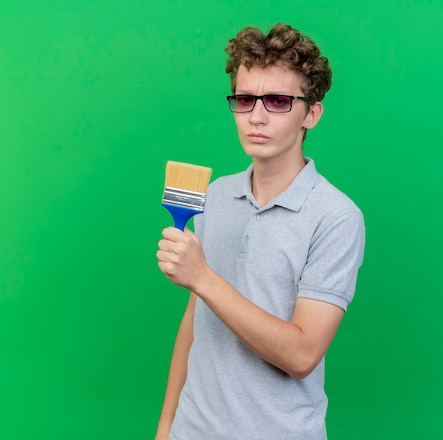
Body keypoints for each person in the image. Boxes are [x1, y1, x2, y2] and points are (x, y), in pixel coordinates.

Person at [155, 23, 365, 440]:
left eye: (278, 101)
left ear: (312, 113)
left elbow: (302, 354)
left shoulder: (336, 216)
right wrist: (166, 428)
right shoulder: (214, 196)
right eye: (246, 99)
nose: (257, 116)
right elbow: (195, 320)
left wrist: (203, 278)